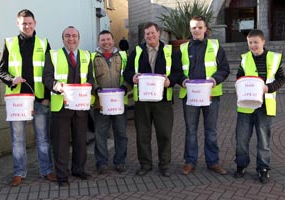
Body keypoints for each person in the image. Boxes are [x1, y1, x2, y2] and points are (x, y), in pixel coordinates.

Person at [0, 9, 56, 186]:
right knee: (17, 139)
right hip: (18, 100)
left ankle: (46, 170)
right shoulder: (9, 43)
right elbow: (0, 70)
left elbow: (49, 72)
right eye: (24, 23)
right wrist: (11, 80)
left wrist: (46, 96)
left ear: (35, 23)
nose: (27, 26)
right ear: (18, 24)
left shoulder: (44, 43)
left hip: (39, 99)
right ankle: (19, 173)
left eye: (30, 23)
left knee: (43, 138)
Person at [123, 22, 182, 177]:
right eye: (147, 34)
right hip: (142, 101)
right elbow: (127, 71)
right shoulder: (136, 51)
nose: (150, 36)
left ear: (159, 33)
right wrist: (132, 77)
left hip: (163, 101)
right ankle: (145, 164)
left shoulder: (169, 51)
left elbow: (177, 71)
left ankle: (165, 165)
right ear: (144, 36)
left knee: (164, 134)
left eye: (152, 33)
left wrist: (171, 81)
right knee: (143, 134)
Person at [178, 16, 230, 175]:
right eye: (194, 27)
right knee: (191, 130)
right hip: (190, 96)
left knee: (211, 130)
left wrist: (215, 80)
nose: (197, 30)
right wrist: (183, 80)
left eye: (200, 27)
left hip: (211, 96)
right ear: (190, 29)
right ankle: (190, 161)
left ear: (205, 29)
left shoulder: (215, 46)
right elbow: (176, 71)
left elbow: (225, 69)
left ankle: (213, 162)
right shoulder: (183, 48)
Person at [43, 26, 93, 186]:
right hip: (61, 107)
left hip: (80, 107)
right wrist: (56, 86)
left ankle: (78, 170)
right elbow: (47, 77)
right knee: (61, 144)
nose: (71, 39)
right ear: (62, 38)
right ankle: (62, 176)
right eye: (67, 36)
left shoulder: (86, 55)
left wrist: (88, 87)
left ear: (78, 38)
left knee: (80, 141)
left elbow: (90, 78)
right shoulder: (53, 55)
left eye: (74, 36)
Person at [234, 29, 285, 184]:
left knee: (263, 141)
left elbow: (281, 79)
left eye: (256, 42)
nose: (253, 45)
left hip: (265, 106)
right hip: (246, 106)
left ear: (263, 42)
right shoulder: (244, 59)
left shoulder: (274, 58)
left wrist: (268, 88)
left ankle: (263, 169)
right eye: (250, 43)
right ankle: (241, 166)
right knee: (241, 139)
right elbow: (238, 77)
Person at [91, 30, 129, 174]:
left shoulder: (123, 56)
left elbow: (129, 74)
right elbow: (89, 77)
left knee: (121, 134)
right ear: (99, 42)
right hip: (100, 104)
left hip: (119, 103)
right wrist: (96, 89)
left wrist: (125, 87)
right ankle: (101, 163)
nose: (106, 42)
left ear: (113, 41)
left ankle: (120, 162)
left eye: (108, 39)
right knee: (100, 134)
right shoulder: (93, 58)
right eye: (103, 40)